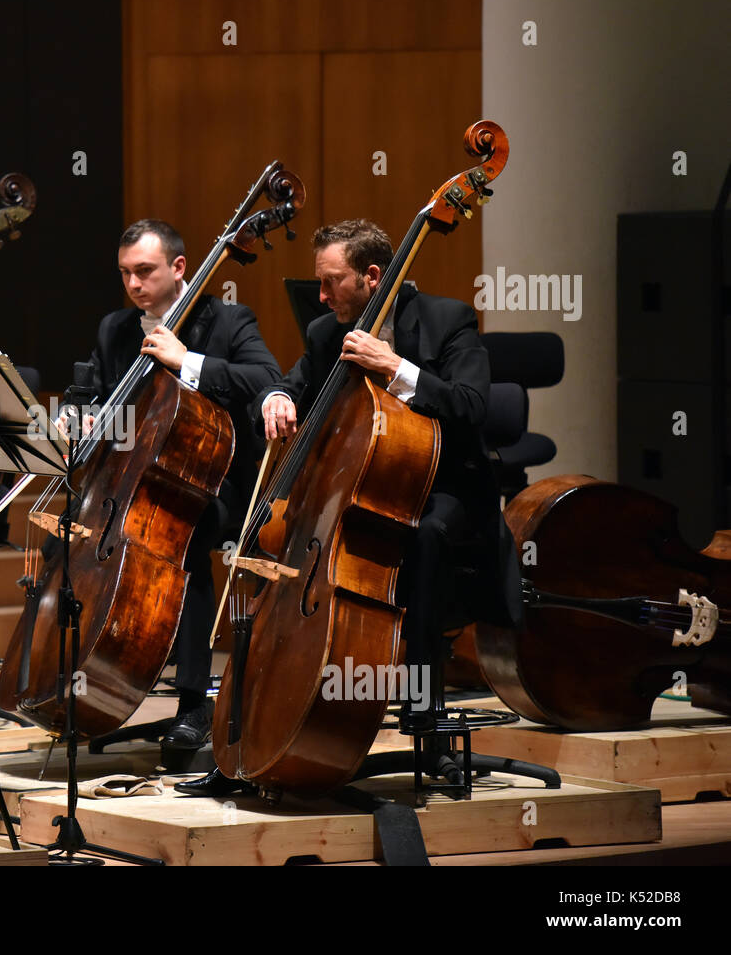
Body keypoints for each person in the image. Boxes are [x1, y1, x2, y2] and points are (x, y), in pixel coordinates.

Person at [178, 217, 521, 796]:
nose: (321, 295)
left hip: (447, 487)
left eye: (331, 282)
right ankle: (246, 736)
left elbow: (471, 409)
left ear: (371, 276)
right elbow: (286, 382)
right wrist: (278, 399)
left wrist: (396, 368)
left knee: (428, 533)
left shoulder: (447, 319)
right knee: (279, 537)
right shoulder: (324, 332)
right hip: (362, 488)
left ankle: (425, 713)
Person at [69, 218, 281, 755]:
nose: (134, 285)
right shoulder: (116, 328)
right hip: (130, 478)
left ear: (179, 267)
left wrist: (185, 360)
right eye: (125, 274)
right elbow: (90, 395)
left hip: (213, 480)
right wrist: (85, 418)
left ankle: (192, 703)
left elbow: (263, 380)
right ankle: (88, 680)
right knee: (68, 535)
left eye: (145, 271)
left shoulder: (227, 320)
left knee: (181, 534)